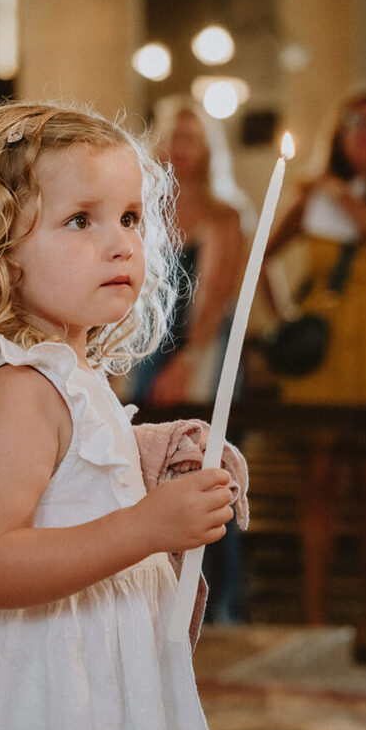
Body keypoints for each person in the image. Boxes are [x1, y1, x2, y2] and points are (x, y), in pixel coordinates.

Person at [0, 101, 245, 730]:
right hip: (46, 689)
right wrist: (148, 527)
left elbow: (71, 479)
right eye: (80, 220)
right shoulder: (17, 391)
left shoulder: (69, 373)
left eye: (129, 217)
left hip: (101, 672)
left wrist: (152, 456)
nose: (120, 243)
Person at [263, 84, 366, 625]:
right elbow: (261, 253)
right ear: (340, 128)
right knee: (318, 481)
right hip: (326, 348)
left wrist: (339, 193)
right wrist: (285, 315)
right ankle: (313, 623)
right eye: (357, 119)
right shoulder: (312, 196)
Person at [127, 98, 250, 624]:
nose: (181, 150)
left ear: (207, 150)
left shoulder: (225, 215)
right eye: (174, 138)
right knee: (149, 475)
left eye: (192, 139)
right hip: (147, 348)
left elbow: (218, 297)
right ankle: (155, 594)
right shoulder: (144, 208)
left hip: (203, 355)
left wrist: (187, 363)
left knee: (205, 472)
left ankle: (219, 599)